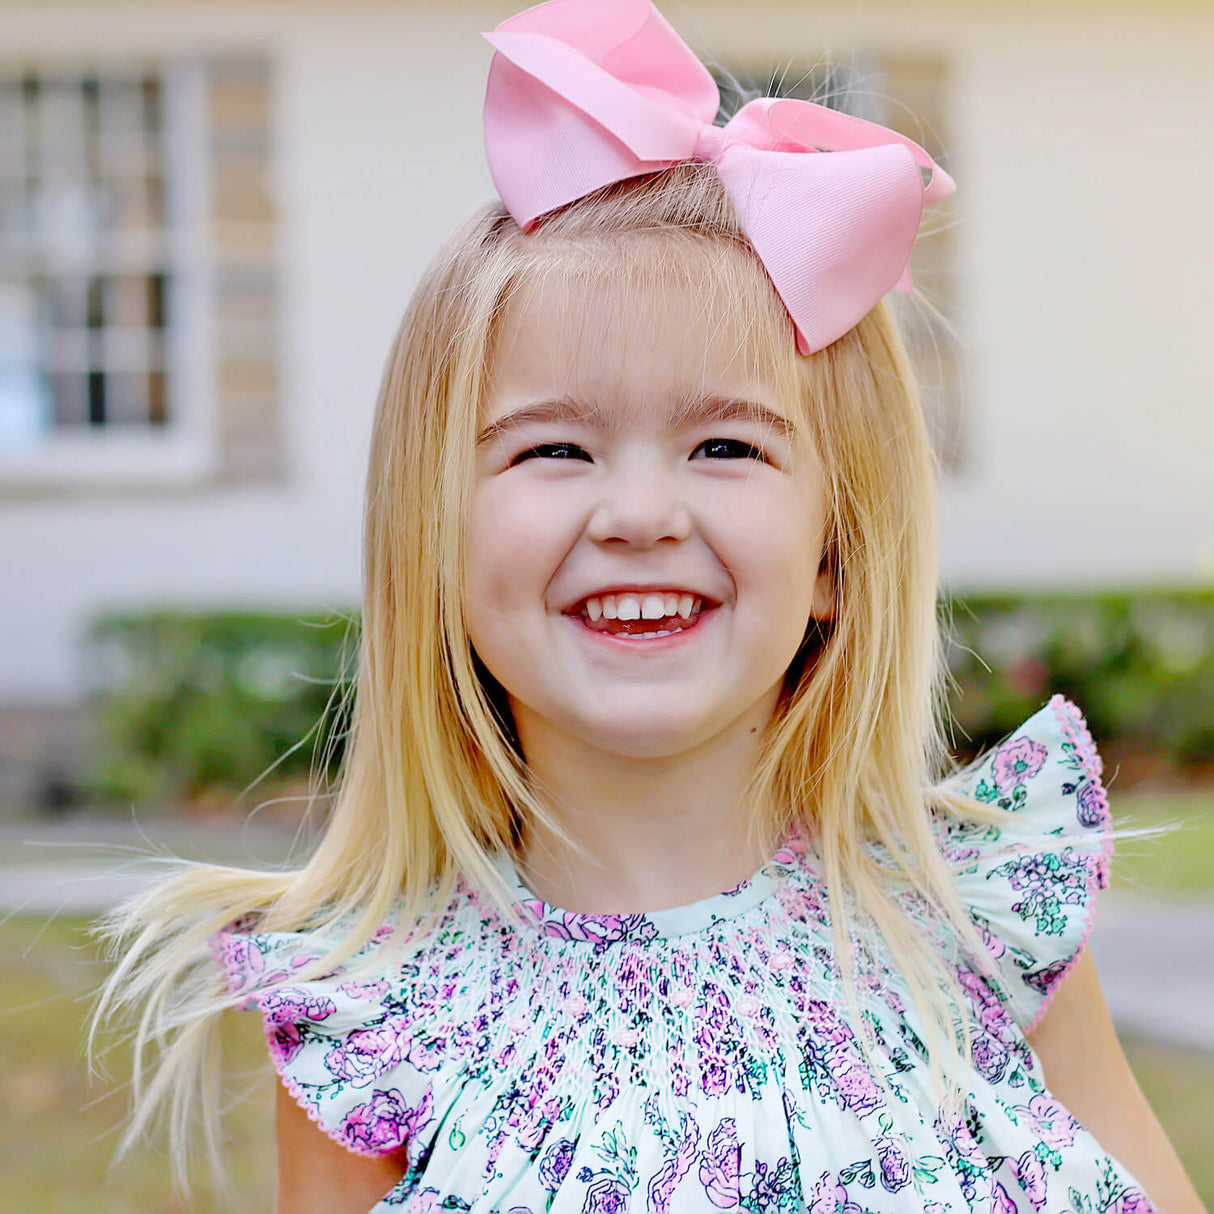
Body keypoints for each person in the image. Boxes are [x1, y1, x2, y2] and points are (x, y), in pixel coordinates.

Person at [91, 1, 1204, 1211]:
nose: (636, 511)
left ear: (836, 548)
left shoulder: (978, 921)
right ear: (434, 544)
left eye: (724, 445)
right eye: (553, 450)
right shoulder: (375, 1016)